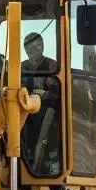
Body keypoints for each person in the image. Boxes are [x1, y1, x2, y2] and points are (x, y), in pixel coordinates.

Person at [20, 32, 61, 175]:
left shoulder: (53, 66)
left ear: (42, 46)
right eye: (29, 47)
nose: (34, 50)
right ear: (25, 49)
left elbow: (62, 97)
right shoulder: (20, 68)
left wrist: (46, 95)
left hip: (47, 115)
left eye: (37, 46)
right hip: (23, 115)